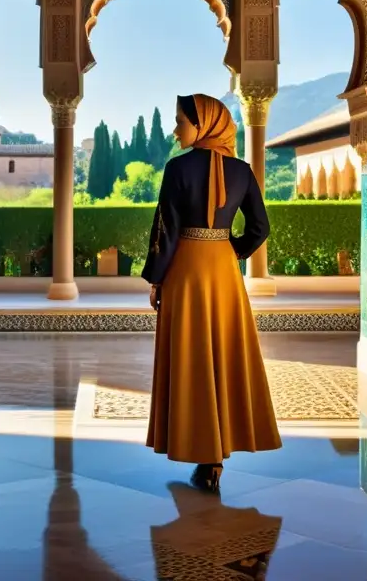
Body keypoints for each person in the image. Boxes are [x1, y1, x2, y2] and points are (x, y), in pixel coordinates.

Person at [142, 93, 282, 493]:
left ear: (201, 124)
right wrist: (230, 250)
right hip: (223, 272)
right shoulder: (242, 170)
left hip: (186, 269)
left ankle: (199, 447)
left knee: (192, 357)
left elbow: (165, 230)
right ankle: (218, 455)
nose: (175, 130)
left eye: (180, 122)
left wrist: (156, 278)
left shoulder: (177, 168)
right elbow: (260, 227)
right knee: (222, 355)